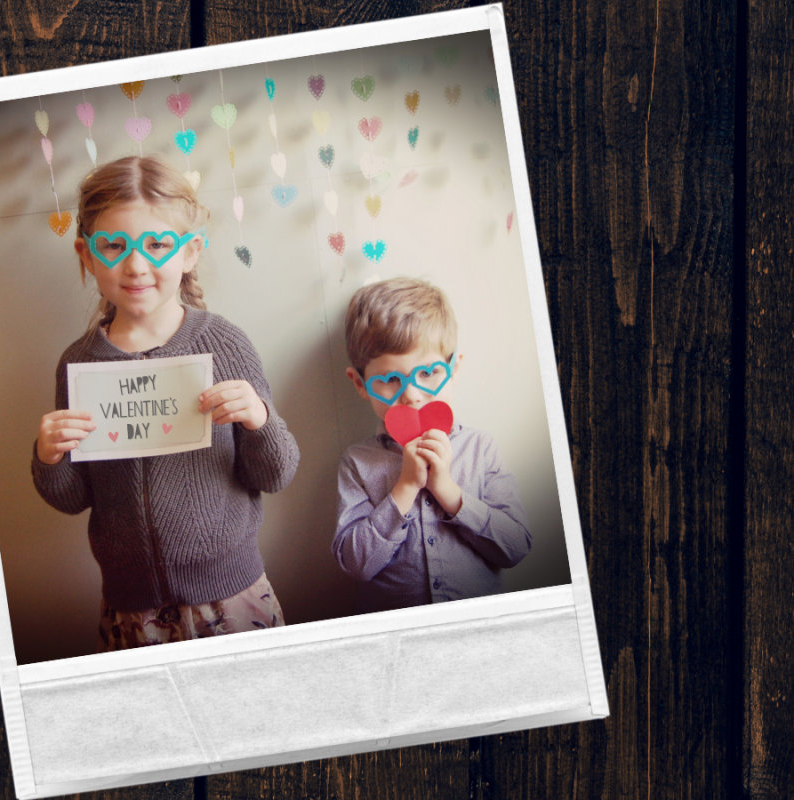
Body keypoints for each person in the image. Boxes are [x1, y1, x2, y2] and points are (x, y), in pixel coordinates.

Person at [32, 154, 299, 650]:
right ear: (86, 255)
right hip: (132, 611)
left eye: (157, 244)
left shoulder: (226, 344)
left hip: (232, 594)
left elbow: (276, 474)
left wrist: (260, 421)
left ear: (191, 251)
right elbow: (73, 498)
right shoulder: (78, 364)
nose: (136, 264)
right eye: (114, 245)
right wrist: (49, 457)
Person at [333, 277, 531, 614]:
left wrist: (448, 491)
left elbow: (514, 547)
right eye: (391, 380)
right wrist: (405, 486)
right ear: (360, 383)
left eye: (427, 373)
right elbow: (355, 563)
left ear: (454, 368)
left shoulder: (480, 448)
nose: (411, 393)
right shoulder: (358, 462)